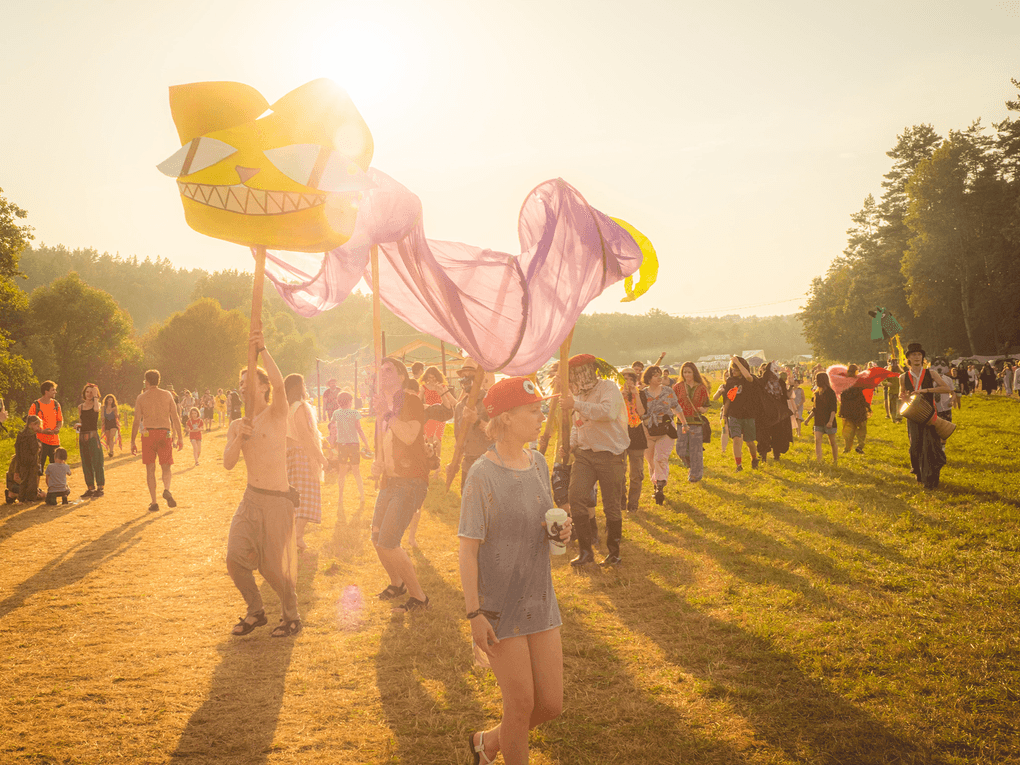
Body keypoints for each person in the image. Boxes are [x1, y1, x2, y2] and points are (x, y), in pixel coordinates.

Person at [459, 376, 570, 765]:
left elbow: (544, 519)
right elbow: (468, 550)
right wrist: (474, 615)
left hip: (540, 598)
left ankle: (488, 742)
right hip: (499, 607)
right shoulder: (481, 475)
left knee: (550, 704)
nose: (541, 417)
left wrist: (558, 529)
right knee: (520, 705)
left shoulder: (538, 462)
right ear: (506, 418)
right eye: (533, 410)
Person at [225, 329, 302, 637]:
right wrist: (239, 439)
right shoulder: (237, 425)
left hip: (278, 500)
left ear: (263, 386)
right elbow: (229, 463)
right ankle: (255, 610)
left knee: (273, 568)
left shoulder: (277, 413)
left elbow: (282, 386)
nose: (242, 387)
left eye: (248, 382)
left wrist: (263, 350)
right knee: (234, 557)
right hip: (251, 498)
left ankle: (291, 615)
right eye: (240, 383)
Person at [371, 357, 430, 613]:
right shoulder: (380, 410)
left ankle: (419, 598)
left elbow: (408, 436)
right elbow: (382, 448)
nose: (382, 373)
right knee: (376, 537)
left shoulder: (411, 401)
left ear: (402, 377)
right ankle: (397, 583)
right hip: (389, 482)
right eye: (380, 370)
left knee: (388, 541)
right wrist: (378, 465)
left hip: (411, 481)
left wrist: (386, 412)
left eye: (389, 370)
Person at [562, 354, 629, 567]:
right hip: (584, 455)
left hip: (611, 455)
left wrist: (577, 404)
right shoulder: (577, 396)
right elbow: (577, 423)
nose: (576, 378)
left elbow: (607, 413)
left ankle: (613, 553)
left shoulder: (608, 388)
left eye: (579, 372)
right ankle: (585, 551)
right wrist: (571, 444)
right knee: (575, 496)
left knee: (611, 505)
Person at [285, 373, 329, 553]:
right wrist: (321, 458)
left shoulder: (286, 408)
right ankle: (297, 537)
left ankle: (294, 537)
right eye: (303, 384)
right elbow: (304, 435)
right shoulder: (300, 407)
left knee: (294, 499)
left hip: (289, 455)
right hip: (302, 455)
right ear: (299, 387)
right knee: (307, 497)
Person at [899, 342, 952, 489]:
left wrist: (925, 391)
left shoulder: (931, 373)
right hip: (913, 416)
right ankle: (919, 474)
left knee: (930, 445)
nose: (917, 357)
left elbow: (946, 388)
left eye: (919, 354)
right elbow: (901, 392)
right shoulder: (903, 377)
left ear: (922, 357)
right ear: (908, 358)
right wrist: (903, 397)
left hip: (929, 415)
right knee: (915, 445)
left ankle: (932, 478)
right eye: (913, 355)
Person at [131, 369, 184, 513]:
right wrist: (180, 437)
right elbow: (175, 417)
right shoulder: (167, 395)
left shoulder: (141, 398)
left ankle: (154, 502)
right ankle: (166, 489)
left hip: (148, 434)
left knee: (150, 468)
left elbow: (136, 421)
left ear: (146, 381)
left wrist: (132, 441)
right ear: (159, 381)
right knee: (166, 466)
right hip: (164, 432)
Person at [641, 364, 688, 504]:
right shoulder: (642, 394)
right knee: (651, 461)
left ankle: (660, 487)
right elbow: (638, 411)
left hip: (666, 428)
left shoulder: (667, 391)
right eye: (656, 375)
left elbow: (676, 407)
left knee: (660, 458)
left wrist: (684, 423)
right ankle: (656, 485)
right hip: (648, 429)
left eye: (660, 374)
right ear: (649, 378)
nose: (659, 377)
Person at [454, 362, 494, 493]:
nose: (466, 380)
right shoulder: (460, 407)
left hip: (489, 463)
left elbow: (498, 433)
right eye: (463, 376)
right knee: (467, 506)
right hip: (468, 465)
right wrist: (454, 463)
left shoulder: (491, 400)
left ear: (480, 378)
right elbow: (458, 439)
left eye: (470, 376)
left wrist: (476, 420)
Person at [331, 391, 370, 519]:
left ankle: (340, 497)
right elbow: (359, 429)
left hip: (342, 445)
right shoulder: (355, 413)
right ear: (349, 401)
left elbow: (333, 429)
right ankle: (362, 496)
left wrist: (332, 443)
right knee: (356, 471)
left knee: (342, 472)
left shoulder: (336, 413)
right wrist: (367, 444)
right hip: (354, 445)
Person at [719, 356, 759, 471]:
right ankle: (738, 465)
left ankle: (754, 458)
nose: (733, 372)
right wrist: (725, 415)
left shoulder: (748, 379)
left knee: (749, 442)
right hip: (734, 414)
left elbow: (748, 376)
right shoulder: (731, 381)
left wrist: (737, 362)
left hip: (748, 414)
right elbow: (728, 400)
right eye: (732, 369)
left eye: (736, 369)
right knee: (736, 439)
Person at [673, 361, 710, 483]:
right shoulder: (677, 387)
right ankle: (691, 466)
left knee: (696, 450)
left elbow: (706, 405)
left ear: (694, 372)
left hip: (696, 422)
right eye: (684, 372)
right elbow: (672, 403)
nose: (687, 374)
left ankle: (695, 475)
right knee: (680, 449)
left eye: (689, 372)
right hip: (681, 422)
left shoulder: (701, 387)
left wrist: (703, 409)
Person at [619, 368, 647, 511]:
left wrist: (636, 395)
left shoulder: (640, 393)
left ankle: (633, 503)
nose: (628, 382)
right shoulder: (615, 394)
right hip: (620, 434)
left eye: (631, 379)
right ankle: (622, 501)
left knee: (637, 473)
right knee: (620, 471)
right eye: (625, 379)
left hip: (636, 433)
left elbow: (642, 413)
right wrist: (619, 397)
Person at [756, 362, 793, 463]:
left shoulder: (780, 382)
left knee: (778, 434)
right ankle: (763, 456)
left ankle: (777, 455)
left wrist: (792, 385)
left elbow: (785, 396)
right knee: (764, 435)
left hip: (778, 412)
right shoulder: (761, 382)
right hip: (765, 413)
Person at [78, 383, 106, 498]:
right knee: (86, 462)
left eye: (91, 392)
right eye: (87, 392)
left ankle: (100, 487)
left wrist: (95, 396)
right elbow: (82, 421)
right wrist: (78, 425)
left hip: (93, 436)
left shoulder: (97, 404)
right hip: (82, 436)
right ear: (84, 393)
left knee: (97, 461)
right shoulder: (80, 407)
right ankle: (90, 488)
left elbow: (96, 410)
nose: (89, 394)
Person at [6, 416, 43, 503]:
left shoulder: (20, 435)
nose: (38, 428)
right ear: (32, 424)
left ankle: (21, 499)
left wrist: (19, 460)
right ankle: (30, 499)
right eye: (37, 426)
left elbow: (17, 448)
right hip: (32, 461)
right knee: (32, 481)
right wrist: (37, 448)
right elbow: (34, 450)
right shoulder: (32, 435)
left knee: (23, 481)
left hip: (22, 461)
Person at [28, 381, 62, 474]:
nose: (55, 392)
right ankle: (36, 488)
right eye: (53, 390)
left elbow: (60, 420)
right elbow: (30, 424)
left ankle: (56, 488)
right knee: (38, 469)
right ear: (46, 391)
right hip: (40, 442)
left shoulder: (56, 404)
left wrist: (58, 428)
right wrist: (42, 431)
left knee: (57, 468)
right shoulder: (36, 405)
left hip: (54, 442)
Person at [839, 365, 871, 455]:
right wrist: (867, 407)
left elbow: (842, 398)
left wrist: (842, 410)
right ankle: (860, 446)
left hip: (847, 411)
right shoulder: (859, 382)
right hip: (859, 410)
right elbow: (862, 397)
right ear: (856, 371)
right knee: (861, 430)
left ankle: (847, 448)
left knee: (848, 430)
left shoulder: (844, 383)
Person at [812, 372, 838, 465]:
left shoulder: (830, 393)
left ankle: (835, 460)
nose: (815, 381)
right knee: (817, 440)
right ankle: (819, 461)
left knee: (832, 442)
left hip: (829, 421)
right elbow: (815, 409)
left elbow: (833, 409)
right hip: (818, 421)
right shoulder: (816, 393)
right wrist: (807, 419)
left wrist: (830, 421)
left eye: (816, 379)